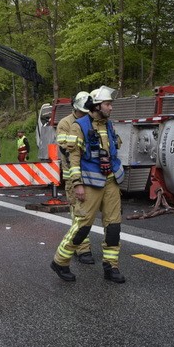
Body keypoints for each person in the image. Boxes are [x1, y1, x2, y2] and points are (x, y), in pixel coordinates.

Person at [50, 85, 126, 284]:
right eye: (108, 104)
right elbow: (73, 158)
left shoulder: (108, 124)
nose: (111, 108)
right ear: (97, 106)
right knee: (82, 226)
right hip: (90, 183)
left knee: (114, 226)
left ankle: (111, 267)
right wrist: (77, 184)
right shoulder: (79, 126)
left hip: (110, 181)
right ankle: (60, 261)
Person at [54, 91, 95, 265]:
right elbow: (66, 149)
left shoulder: (92, 120)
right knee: (78, 212)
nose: (85, 115)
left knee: (89, 212)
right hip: (73, 174)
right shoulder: (65, 123)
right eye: (82, 112)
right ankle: (82, 248)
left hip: (92, 174)